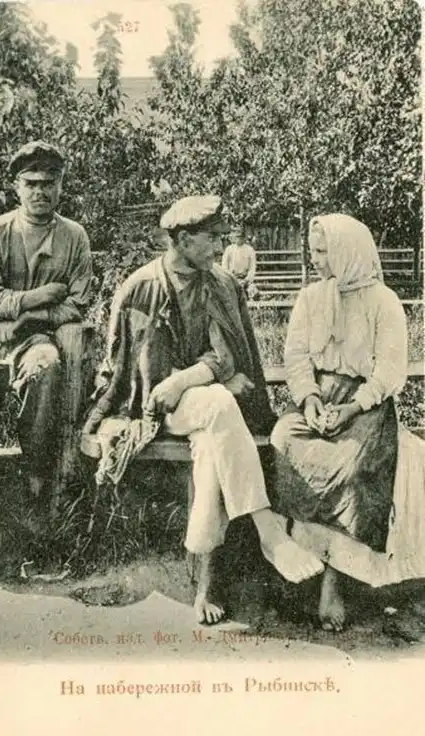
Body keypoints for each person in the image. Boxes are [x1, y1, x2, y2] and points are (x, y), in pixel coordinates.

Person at [84, 195, 324, 624]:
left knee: (213, 443)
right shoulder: (142, 287)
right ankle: (267, 529)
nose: (219, 247)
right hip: (155, 409)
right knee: (218, 402)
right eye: (212, 238)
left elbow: (228, 354)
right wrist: (195, 381)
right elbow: (142, 377)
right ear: (182, 239)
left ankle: (207, 582)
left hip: (209, 408)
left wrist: (188, 379)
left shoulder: (221, 283)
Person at [270, 213, 425, 631]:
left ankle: (334, 581)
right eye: (313, 250)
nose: (315, 259)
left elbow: (390, 371)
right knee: (283, 439)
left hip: (365, 407)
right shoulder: (310, 298)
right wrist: (310, 400)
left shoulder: (384, 302)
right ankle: (299, 564)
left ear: (347, 252)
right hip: (320, 400)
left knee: (351, 468)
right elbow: (297, 357)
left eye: (323, 251)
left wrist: (352, 408)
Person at [0, 140, 93, 590]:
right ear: (17, 187)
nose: (40, 192)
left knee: (47, 368)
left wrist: (24, 318)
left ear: (61, 186)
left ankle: (37, 516)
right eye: (31, 183)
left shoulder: (74, 237)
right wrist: (37, 296)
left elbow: (77, 303)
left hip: (31, 338)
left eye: (49, 183)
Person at [221, 226, 257, 297]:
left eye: (241, 237)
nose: (239, 239)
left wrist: (246, 280)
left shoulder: (250, 250)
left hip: (245, 279)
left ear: (244, 238)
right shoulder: (229, 249)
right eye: (237, 237)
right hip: (232, 278)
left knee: (253, 292)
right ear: (234, 237)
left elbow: (252, 268)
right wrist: (232, 278)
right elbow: (224, 267)